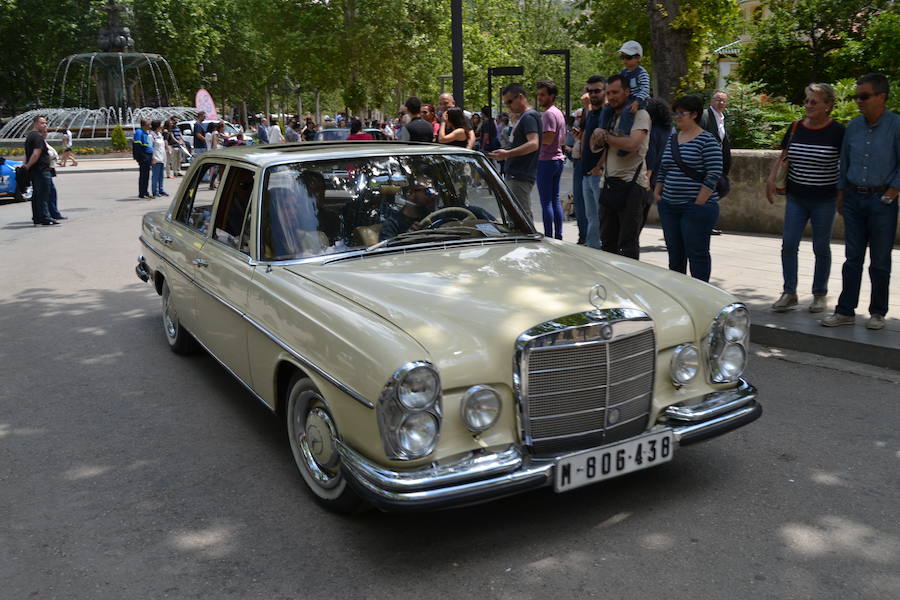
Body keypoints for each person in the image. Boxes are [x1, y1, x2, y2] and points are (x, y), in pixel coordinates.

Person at [821, 73, 899, 331]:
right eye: (857, 96)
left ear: (881, 97)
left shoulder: (896, 126)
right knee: (852, 258)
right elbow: (845, 162)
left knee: (879, 260)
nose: (858, 101)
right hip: (854, 198)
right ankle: (845, 310)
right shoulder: (853, 126)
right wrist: (841, 195)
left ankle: (877, 312)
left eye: (864, 96)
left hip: (882, 201)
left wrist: (891, 193)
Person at [765, 83, 844, 314]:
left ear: (828, 105)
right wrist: (771, 179)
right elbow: (784, 156)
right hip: (797, 197)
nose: (808, 105)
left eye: (814, 102)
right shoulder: (796, 127)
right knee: (789, 244)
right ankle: (789, 292)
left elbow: (845, 163)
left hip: (825, 198)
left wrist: (842, 194)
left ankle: (819, 294)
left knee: (821, 246)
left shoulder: (838, 131)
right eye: (807, 101)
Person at [653, 95, 723, 281]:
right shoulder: (673, 139)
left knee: (697, 254)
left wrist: (699, 202)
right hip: (669, 206)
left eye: (681, 113)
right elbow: (664, 167)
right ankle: (678, 295)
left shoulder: (707, 140)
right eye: (675, 113)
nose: (677, 117)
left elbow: (714, 173)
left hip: (695, 208)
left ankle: (700, 295)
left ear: (694, 114)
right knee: (675, 256)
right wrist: (658, 191)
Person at [591, 74, 650, 258]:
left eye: (615, 92)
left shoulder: (640, 114)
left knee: (627, 246)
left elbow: (633, 145)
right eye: (608, 93)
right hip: (608, 184)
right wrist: (597, 135)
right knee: (607, 243)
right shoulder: (608, 116)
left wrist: (607, 137)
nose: (612, 97)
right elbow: (594, 148)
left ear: (627, 91)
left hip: (632, 186)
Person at [488, 83, 542, 222]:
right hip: (516, 174)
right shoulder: (524, 117)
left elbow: (533, 143)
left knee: (521, 219)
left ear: (520, 97)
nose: (509, 106)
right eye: (506, 103)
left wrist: (507, 154)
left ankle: (529, 244)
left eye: (510, 102)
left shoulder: (529, 117)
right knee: (515, 217)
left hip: (520, 175)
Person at [598, 41, 650, 158]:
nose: (625, 60)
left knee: (627, 111)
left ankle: (624, 135)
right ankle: (602, 129)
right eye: (623, 57)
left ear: (638, 58)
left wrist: (637, 101)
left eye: (628, 57)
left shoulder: (642, 73)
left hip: (639, 100)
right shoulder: (624, 73)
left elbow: (645, 89)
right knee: (607, 109)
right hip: (627, 99)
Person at [535, 80, 567, 239]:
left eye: (542, 94)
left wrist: (533, 140)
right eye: (538, 94)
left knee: (546, 202)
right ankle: (558, 235)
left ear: (552, 96)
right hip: (557, 159)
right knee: (554, 200)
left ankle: (548, 236)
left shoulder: (548, 114)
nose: (539, 97)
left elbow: (548, 137)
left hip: (546, 160)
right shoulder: (558, 112)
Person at [580, 75, 607, 249]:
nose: (592, 94)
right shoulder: (592, 113)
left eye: (597, 90)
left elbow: (609, 143)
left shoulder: (607, 113)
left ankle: (599, 252)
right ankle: (593, 249)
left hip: (598, 174)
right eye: (590, 91)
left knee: (600, 217)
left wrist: (600, 166)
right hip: (586, 173)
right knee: (592, 217)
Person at [701, 90, 732, 234]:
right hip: (706, 162)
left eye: (723, 101)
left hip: (717, 162)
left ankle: (707, 224)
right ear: (711, 101)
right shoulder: (705, 116)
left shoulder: (721, 117)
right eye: (717, 100)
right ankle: (705, 224)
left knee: (718, 190)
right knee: (710, 192)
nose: (720, 103)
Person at [644, 98, 674, 231]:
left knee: (642, 211)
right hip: (670, 175)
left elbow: (651, 155)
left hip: (654, 177)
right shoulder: (672, 130)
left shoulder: (652, 131)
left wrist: (647, 177)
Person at [379, 175, 439, 240]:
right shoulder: (392, 225)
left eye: (434, 191)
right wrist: (408, 237)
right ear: (410, 193)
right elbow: (388, 248)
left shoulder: (434, 218)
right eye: (428, 191)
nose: (433, 195)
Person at [23, 115, 56, 225]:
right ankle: (45, 217)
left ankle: (37, 217)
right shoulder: (37, 137)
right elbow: (36, 154)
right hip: (41, 170)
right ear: (36, 124)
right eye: (42, 123)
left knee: (37, 195)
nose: (45, 125)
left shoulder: (31, 136)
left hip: (36, 170)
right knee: (43, 194)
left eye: (46, 123)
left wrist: (27, 166)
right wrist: (27, 166)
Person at [42, 130, 65, 221]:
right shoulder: (40, 142)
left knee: (51, 192)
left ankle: (53, 213)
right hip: (45, 169)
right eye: (44, 132)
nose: (46, 133)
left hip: (49, 169)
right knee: (50, 192)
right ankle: (52, 214)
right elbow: (49, 154)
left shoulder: (44, 142)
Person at [133, 118, 154, 199]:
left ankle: (146, 192)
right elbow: (137, 146)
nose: (150, 125)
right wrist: (142, 156)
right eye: (149, 124)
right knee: (143, 175)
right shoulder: (139, 132)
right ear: (145, 125)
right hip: (144, 156)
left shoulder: (145, 132)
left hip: (148, 155)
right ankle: (142, 193)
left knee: (146, 175)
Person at [149, 120, 168, 197]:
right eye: (161, 125)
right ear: (157, 126)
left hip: (162, 158)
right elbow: (150, 147)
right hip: (156, 158)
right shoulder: (151, 136)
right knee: (155, 176)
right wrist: (153, 158)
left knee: (161, 176)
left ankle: (161, 189)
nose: (162, 126)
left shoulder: (160, 134)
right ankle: (155, 191)